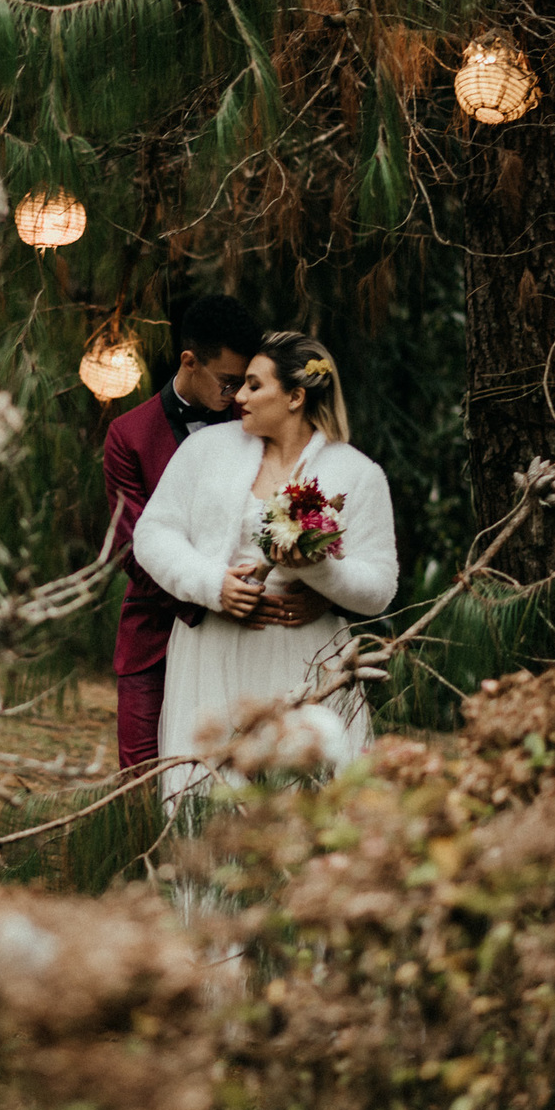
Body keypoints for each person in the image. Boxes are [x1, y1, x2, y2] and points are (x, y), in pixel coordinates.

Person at [132, 329, 398, 786]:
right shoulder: (205, 451)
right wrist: (214, 584)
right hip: (212, 649)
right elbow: (154, 533)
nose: (241, 397)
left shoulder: (357, 473)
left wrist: (318, 571)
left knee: (302, 792)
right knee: (211, 787)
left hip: (304, 654)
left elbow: (379, 586)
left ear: (295, 397)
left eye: (255, 385)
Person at [104, 298, 329, 773]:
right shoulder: (128, 435)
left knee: (235, 771)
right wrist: (211, 593)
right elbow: (131, 549)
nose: (237, 396)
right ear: (190, 362)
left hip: (252, 638)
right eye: (228, 382)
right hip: (157, 632)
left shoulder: (259, 423)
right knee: (145, 776)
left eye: (247, 382)